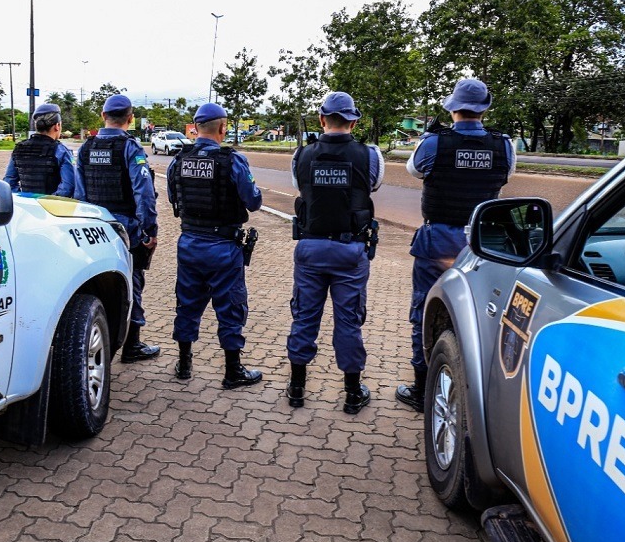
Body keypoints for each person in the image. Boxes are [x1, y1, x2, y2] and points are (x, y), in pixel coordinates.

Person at [396, 78, 515, 412]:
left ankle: (422, 389)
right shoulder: (504, 145)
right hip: (483, 244)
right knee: (480, 314)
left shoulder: (434, 143)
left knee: (424, 308)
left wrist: (428, 139)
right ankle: (473, 389)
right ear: (485, 109)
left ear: (452, 108)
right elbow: (504, 176)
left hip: (438, 242)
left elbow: (414, 170)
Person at [285, 92, 384, 414]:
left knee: (304, 317)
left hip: (311, 249)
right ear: (354, 121)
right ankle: (353, 394)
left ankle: (297, 388)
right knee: (349, 322)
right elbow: (372, 187)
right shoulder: (370, 156)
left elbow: (302, 188)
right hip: (349, 250)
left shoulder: (301, 155)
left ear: (322, 120)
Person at [166, 102, 264, 389]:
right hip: (223, 246)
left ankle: (184, 364)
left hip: (189, 244)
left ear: (196, 128)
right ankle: (233, 371)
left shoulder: (178, 160)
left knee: (187, 303)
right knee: (231, 307)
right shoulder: (232, 160)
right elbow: (253, 201)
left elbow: (173, 197)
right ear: (222, 128)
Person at [74, 94, 160, 363]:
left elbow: (79, 194)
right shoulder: (130, 148)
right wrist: (150, 230)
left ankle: (100, 341)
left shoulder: (85, 149)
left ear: (103, 116)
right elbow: (143, 193)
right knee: (132, 283)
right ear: (131, 118)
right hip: (126, 231)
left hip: (94, 227)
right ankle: (132, 345)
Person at [4, 103, 75, 196]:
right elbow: (68, 187)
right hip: (53, 208)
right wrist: (47, 201)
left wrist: (25, 198)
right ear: (57, 126)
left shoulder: (19, 148)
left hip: (27, 207)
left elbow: (9, 182)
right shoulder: (61, 151)